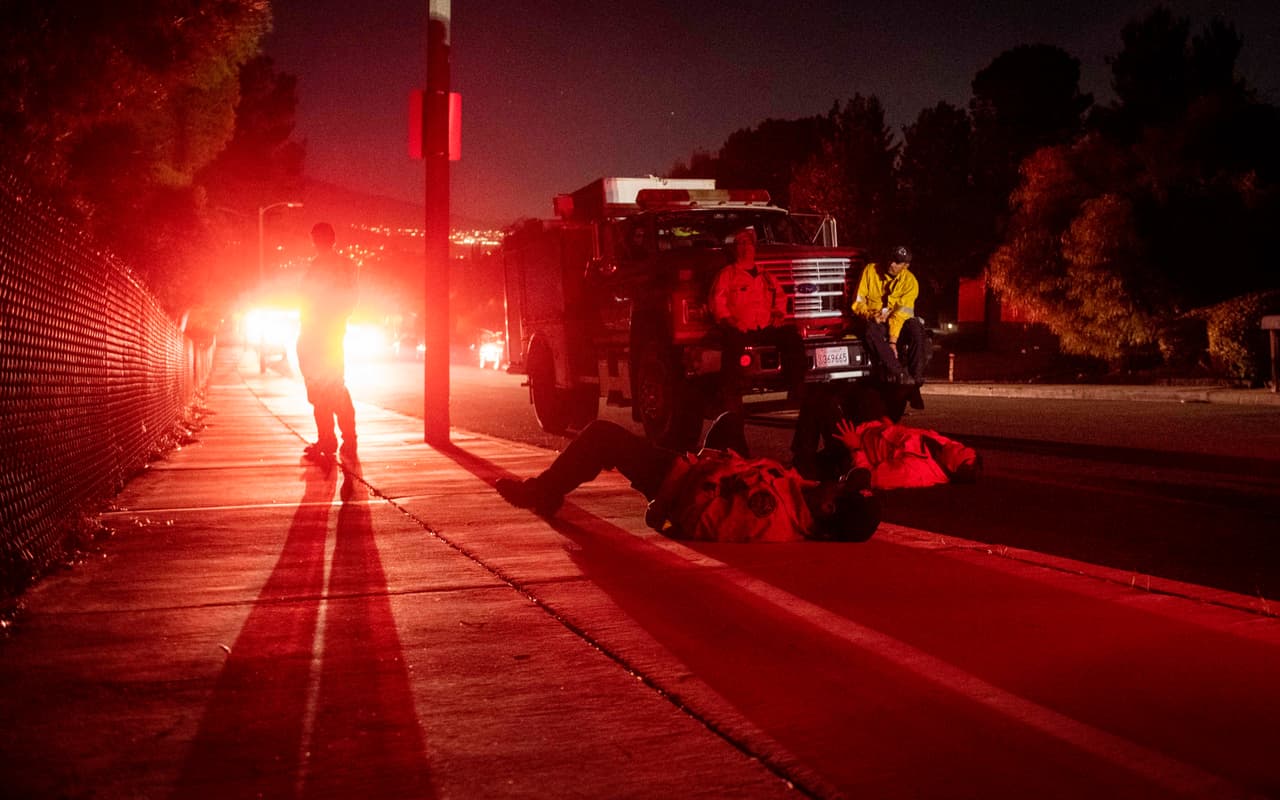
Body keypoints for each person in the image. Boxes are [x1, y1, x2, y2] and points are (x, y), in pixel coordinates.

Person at [495, 413, 880, 543]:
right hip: (707, 466)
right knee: (730, 420)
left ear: (830, 507)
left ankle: (542, 492)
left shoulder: (769, 513)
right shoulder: (808, 497)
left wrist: (707, 472)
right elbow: (859, 480)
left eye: (841, 486)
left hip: (677, 482)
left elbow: (702, 520)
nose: (838, 479)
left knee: (601, 436)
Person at [708, 227, 805, 412]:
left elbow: (780, 297)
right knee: (731, 349)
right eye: (740, 243)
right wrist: (730, 321)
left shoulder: (765, 275)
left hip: (764, 326)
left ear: (754, 248)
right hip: (739, 328)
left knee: (792, 339)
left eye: (748, 243)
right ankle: (731, 396)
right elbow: (717, 301)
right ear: (735, 249)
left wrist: (778, 314)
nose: (745, 247)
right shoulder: (727, 274)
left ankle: (796, 388)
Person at [297, 222, 358, 461]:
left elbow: (311, 299)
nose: (316, 243)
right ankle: (335, 438)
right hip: (324, 335)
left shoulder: (326, 267)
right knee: (327, 387)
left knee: (326, 388)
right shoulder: (342, 266)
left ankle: (335, 438)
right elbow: (348, 301)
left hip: (321, 335)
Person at [833, 417, 981, 490]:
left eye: (960, 451)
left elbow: (871, 477)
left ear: (952, 467)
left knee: (827, 404)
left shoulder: (915, 472)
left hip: (856, 440)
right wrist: (890, 426)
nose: (957, 445)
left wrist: (856, 448)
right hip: (873, 426)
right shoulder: (943, 447)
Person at [850, 245, 927, 385]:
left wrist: (893, 341)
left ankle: (916, 378)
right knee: (870, 331)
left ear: (906, 266)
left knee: (916, 327)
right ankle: (899, 374)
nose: (892, 264)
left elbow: (901, 314)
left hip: (897, 322)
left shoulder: (910, 282)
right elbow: (858, 301)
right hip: (876, 321)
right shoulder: (870, 270)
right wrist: (870, 315)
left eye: (897, 262)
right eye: (891, 259)